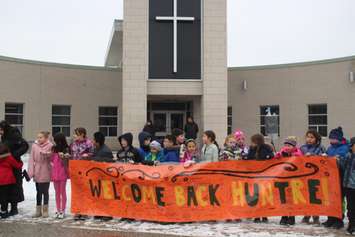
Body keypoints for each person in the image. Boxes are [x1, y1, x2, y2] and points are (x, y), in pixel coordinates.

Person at [0, 120, 29, 216]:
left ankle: (14, 208)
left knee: (15, 187)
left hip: (13, 163)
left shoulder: (14, 134)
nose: (0, 132)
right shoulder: (5, 135)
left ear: (5, 128)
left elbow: (25, 146)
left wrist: (14, 155)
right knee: (5, 189)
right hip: (7, 163)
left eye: (1, 130)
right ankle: (5, 208)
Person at [322, 127, 349, 229]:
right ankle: (330, 218)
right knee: (330, 198)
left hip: (340, 176)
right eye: (330, 138)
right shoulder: (330, 148)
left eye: (333, 138)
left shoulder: (345, 148)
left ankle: (339, 219)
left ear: (339, 138)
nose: (331, 140)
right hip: (330, 177)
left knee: (339, 198)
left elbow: (344, 162)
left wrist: (337, 160)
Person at [300, 130, 326, 225]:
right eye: (308, 137)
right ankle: (306, 215)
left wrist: (314, 156)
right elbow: (297, 160)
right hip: (305, 176)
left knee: (315, 197)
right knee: (306, 197)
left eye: (312, 137)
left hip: (316, 177)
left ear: (316, 139)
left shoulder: (321, 148)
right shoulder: (302, 148)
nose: (309, 139)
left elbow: (324, 160)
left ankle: (316, 216)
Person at [246, 134, 274, 223]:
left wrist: (267, 157)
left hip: (265, 176)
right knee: (255, 195)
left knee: (264, 195)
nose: (251, 143)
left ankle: (265, 215)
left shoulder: (266, 148)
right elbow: (249, 158)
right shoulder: (251, 149)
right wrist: (245, 157)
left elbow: (271, 156)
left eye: (253, 141)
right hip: (255, 176)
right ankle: (257, 215)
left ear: (257, 141)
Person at [276, 136, 302, 226]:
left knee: (291, 199)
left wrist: (293, 157)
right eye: (286, 145)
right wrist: (279, 156)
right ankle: (284, 216)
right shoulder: (282, 152)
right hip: (283, 179)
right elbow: (276, 160)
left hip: (293, 180)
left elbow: (300, 161)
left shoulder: (297, 153)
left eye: (289, 145)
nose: (287, 147)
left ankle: (291, 216)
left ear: (294, 146)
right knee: (283, 199)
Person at [70, 127, 94, 220]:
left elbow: (93, 153)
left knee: (84, 190)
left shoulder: (88, 143)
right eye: (74, 134)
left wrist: (87, 155)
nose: (74, 136)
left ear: (82, 134)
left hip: (85, 169)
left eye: (76, 134)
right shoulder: (73, 143)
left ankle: (84, 211)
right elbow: (71, 154)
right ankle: (77, 211)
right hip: (75, 169)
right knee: (76, 191)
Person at [28, 131, 53, 218]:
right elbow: (31, 159)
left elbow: (52, 158)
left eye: (41, 137)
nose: (39, 139)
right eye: (38, 137)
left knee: (45, 191)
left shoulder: (50, 145)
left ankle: (45, 210)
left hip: (46, 169)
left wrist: (48, 155)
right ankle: (38, 211)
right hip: (37, 170)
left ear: (46, 138)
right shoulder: (34, 146)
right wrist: (30, 172)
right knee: (38, 191)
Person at [90, 131, 114, 221]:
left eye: (94, 139)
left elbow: (109, 163)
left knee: (106, 196)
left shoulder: (106, 151)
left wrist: (94, 160)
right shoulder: (96, 148)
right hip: (97, 176)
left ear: (98, 141)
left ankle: (108, 213)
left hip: (105, 177)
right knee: (98, 194)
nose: (92, 141)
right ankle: (100, 212)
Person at [0, 143, 23, 219]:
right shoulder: (9, 157)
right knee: (6, 196)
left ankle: (3, 211)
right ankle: (5, 212)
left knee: (2, 196)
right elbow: (17, 165)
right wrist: (21, 162)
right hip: (8, 180)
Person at [51, 133, 70, 219]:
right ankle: (58, 209)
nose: (54, 142)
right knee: (57, 192)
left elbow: (67, 163)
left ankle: (63, 210)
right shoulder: (53, 149)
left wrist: (63, 157)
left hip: (62, 174)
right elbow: (51, 161)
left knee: (63, 192)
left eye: (55, 140)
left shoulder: (66, 149)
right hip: (55, 173)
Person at [339, 137, 355, 234]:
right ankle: (351, 225)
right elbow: (341, 165)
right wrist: (336, 160)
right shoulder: (348, 156)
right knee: (351, 207)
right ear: (351, 146)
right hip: (348, 186)